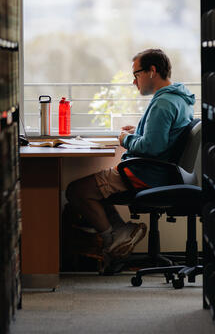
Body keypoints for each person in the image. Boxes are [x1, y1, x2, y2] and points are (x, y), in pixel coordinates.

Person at [66, 48, 196, 262]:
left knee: (77, 191)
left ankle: (114, 242)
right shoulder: (178, 98)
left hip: (146, 172)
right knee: (96, 189)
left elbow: (152, 148)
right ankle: (121, 234)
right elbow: (164, 138)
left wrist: (124, 139)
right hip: (159, 170)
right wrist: (139, 132)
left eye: (136, 75)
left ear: (152, 71)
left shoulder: (163, 103)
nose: (134, 82)